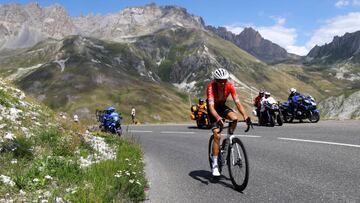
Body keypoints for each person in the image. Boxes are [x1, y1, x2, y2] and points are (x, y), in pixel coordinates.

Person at [207, 68, 252, 177]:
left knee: (234, 118)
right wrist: (218, 118)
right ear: (215, 80)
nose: (222, 83)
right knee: (217, 134)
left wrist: (245, 116)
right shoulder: (211, 87)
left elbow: (238, 103)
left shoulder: (230, 86)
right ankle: (215, 164)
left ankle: (228, 140)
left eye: (224, 80)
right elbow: (211, 107)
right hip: (213, 109)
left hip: (222, 107)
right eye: (220, 81)